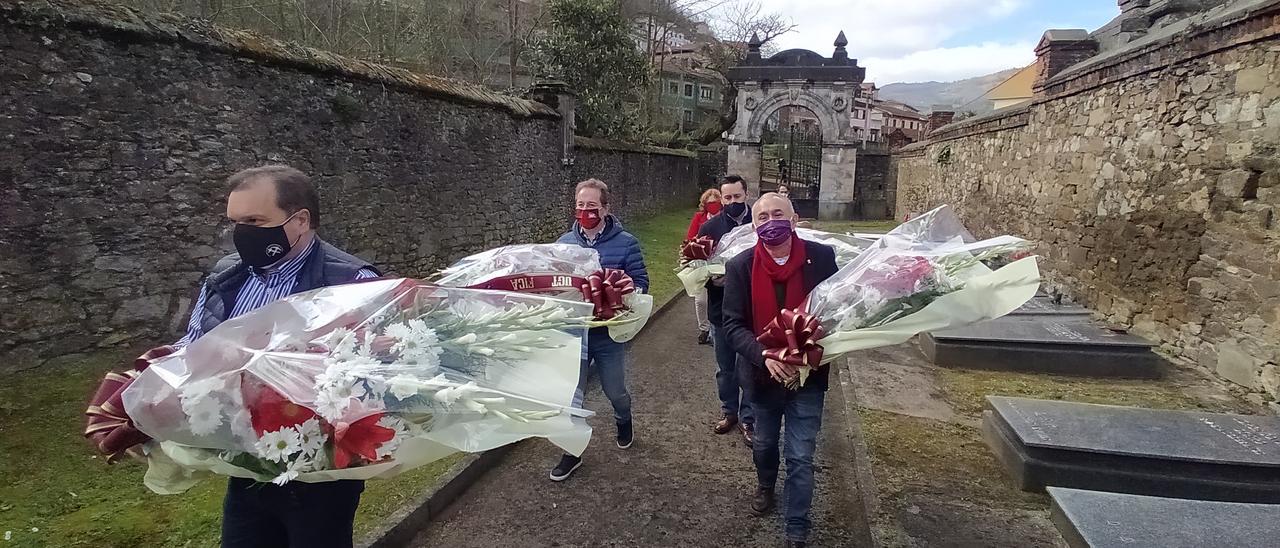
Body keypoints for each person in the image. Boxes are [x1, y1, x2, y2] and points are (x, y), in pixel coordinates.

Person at [171, 165, 381, 548]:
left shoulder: (352, 283)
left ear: (300, 220)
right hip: (245, 461)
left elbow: (377, 375)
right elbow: (194, 350)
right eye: (234, 222)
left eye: (254, 220)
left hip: (320, 472)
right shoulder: (226, 278)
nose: (241, 234)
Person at [721, 193, 838, 548]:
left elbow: (836, 309)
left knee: (801, 455)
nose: (769, 221)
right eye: (762, 217)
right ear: (753, 225)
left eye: (777, 214)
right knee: (766, 444)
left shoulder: (821, 258)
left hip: (809, 379)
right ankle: (766, 484)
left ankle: (796, 525)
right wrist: (764, 355)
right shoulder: (740, 266)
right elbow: (732, 324)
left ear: (794, 219)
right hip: (761, 377)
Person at [550, 178, 649, 481]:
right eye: (580, 205)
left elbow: (642, 282)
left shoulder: (626, 243)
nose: (585, 211)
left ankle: (624, 418)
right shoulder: (564, 243)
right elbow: (553, 283)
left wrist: (622, 295)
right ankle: (572, 451)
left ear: (606, 208)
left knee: (614, 390)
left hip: (607, 333)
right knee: (571, 395)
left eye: (591, 206)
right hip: (574, 331)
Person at [696, 175, 754, 446]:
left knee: (751, 367)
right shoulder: (710, 227)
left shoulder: (760, 221)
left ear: (746, 195)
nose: (732, 202)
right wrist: (710, 277)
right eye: (727, 198)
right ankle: (730, 411)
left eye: (737, 197)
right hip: (721, 308)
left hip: (755, 310)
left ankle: (749, 418)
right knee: (725, 367)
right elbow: (695, 266)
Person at [686, 188, 722, 345]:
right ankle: (704, 328)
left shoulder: (724, 219)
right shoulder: (699, 217)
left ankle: (716, 329)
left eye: (716, 202)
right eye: (710, 203)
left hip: (720, 264)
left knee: (717, 298)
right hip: (701, 263)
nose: (713, 205)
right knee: (701, 300)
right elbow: (690, 237)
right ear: (705, 204)